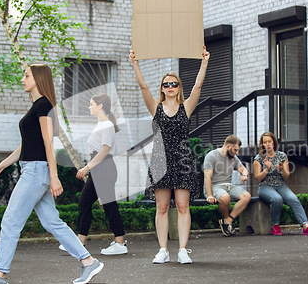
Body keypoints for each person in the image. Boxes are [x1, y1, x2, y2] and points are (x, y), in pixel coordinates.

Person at [0, 64, 103, 284]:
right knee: (52, 221)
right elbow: (27, 145)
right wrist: (2, 165)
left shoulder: (43, 106)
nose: (22, 79)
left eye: (27, 75)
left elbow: (48, 144)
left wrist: (54, 176)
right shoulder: (38, 107)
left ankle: (0, 274)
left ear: (38, 79)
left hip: (35, 172)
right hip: (33, 169)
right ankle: (88, 261)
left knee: (11, 221)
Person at [130, 46, 210, 264]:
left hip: (183, 160)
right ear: (162, 89)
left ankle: (183, 250)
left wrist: (204, 62)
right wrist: (135, 63)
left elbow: (198, 86)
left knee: (183, 206)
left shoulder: (186, 107)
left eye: (174, 83)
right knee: (162, 207)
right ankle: (163, 250)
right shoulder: (155, 107)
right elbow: (143, 86)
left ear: (178, 87)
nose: (171, 86)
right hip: (160, 161)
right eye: (167, 84)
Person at [74, 93, 127, 255]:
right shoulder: (101, 125)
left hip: (103, 167)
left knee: (108, 205)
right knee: (84, 203)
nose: (89, 107)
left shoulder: (106, 125)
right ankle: (79, 242)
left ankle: (120, 243)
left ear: (100, 106)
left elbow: (104, 150)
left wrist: (86, 168)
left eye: (91, 104)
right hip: (99, 168)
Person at [253, 132, 308, 236]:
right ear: (262, 145)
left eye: (269, 141)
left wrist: (281, 169)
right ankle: (275, 226)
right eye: (265, 142)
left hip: (280, 185)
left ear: (274, 142)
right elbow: (258, 178)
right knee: (277, 199)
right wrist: (266, 168)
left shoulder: (282, 156)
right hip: (265, 187)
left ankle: (306, 226)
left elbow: (286, 176)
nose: (268, 144)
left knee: (293, 198)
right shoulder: (259, 158)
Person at [203, 135, 251, 236]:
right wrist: (209, 195)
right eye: (235, 150)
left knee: (246, 196)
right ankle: (226, 221)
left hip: (229, 186)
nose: (237, 153)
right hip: (214, 186)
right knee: (225, 198)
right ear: (228, 146)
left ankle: (227, 221)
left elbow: (243, 169)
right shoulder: (211, 156)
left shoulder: (233, 157)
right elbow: (207, 177)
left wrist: (244, 175)